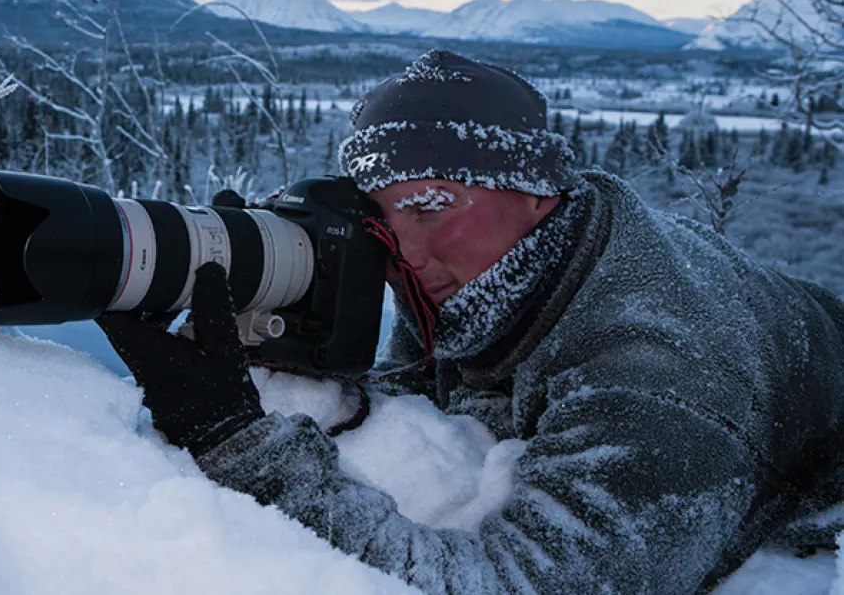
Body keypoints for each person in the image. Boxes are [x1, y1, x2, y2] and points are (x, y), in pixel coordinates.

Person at [95, 49, 844, 594]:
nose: (406, 252)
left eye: (431, 204)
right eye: (383, 221)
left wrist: (242, 443)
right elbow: (431, 400)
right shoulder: (488, 270)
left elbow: (505, 588)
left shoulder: (659, 369)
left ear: (538, 189)